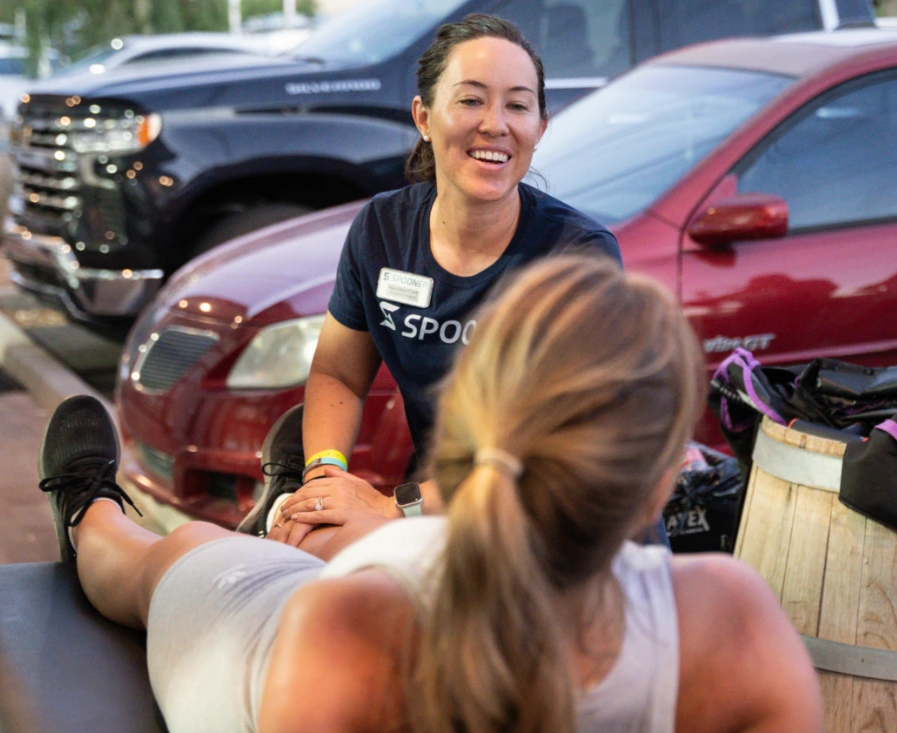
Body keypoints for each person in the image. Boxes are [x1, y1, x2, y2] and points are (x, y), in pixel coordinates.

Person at [37, 256, 823, 733]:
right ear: (663, 483)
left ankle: (99, 517)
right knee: (251, 555)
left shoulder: (344, 635)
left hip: (291, 639)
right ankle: (164, 509)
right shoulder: (735, 624)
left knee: (174, 552)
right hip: (372, 591)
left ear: (463, 438)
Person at [235, 14, 623, 542]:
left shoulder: (576, 259)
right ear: (423, 116)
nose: (495, 123)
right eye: (470, 99)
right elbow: (337, 375)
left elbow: (563, 463)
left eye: (517, 104)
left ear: (540, 127)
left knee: (309, 556)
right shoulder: (383, 230)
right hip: (437, 509)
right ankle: (287, 501)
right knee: (304, 537)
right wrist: (325, 474)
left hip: (549, 528)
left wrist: (394, 507)